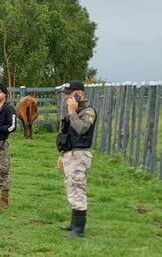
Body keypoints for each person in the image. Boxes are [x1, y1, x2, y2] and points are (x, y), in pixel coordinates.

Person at [57, 80, 96, 238]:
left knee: (77, 189)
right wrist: (62, 154)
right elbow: (67, 134)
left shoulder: (88, 111)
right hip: (70, 153)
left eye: (70, 94)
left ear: (80, 93)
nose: (66, 98)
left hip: (79, 155)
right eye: (65, 95)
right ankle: (74, 224)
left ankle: (79, 229)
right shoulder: (74, 110)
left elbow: (81, 129)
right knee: (71, 187)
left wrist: (73, 112)